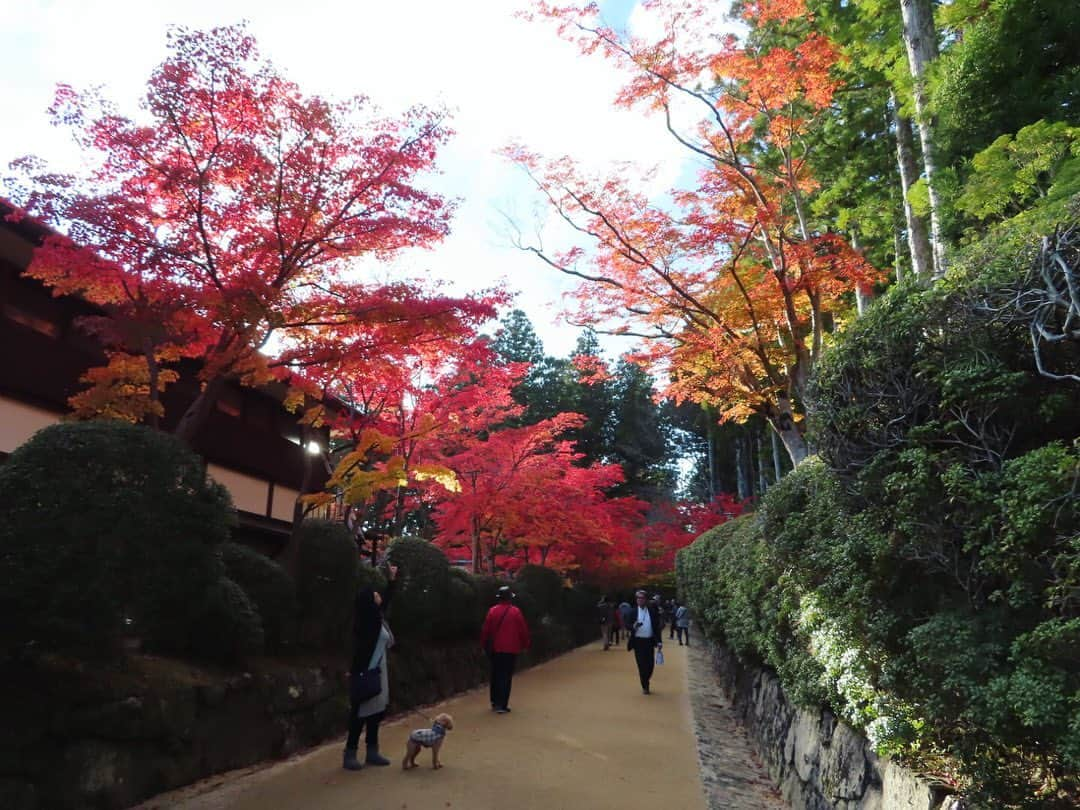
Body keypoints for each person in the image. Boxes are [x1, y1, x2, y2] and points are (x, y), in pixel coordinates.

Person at [343, 564, 398, 771]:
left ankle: (372, 751)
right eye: (375, 594)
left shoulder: (377, 618)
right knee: (359, 713)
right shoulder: (369, 621)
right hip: (366, 671)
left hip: (378, 671)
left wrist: (392, 580)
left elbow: (385, 602)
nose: (378, 595)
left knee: (376, 713)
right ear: (369, 601)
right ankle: (350, 752)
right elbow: (359, 649)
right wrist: (355, 671)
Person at [480, 585, 531, 714]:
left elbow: (485, 631)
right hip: (511, 649)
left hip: (495, 649)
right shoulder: (516, 612)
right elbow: (523, 631)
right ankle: (502, 704)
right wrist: (525, 645)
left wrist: (483, 645)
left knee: (495, 674)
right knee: (506, 676)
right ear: (510, 598)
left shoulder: (492, 611)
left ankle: (494, 701)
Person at [627, 589, 663, 694]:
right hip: (638, 642)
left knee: (650, 665)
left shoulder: (652, 611)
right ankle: (645, 686)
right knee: (641, 665)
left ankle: (646, 678)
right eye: (638, 598)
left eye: (642, 598)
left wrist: (659, 641)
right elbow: (627, 624)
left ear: (645, 600)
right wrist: (633, 626)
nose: (640, 600)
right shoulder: (633, 611)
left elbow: (656, 628)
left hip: (649, 641)